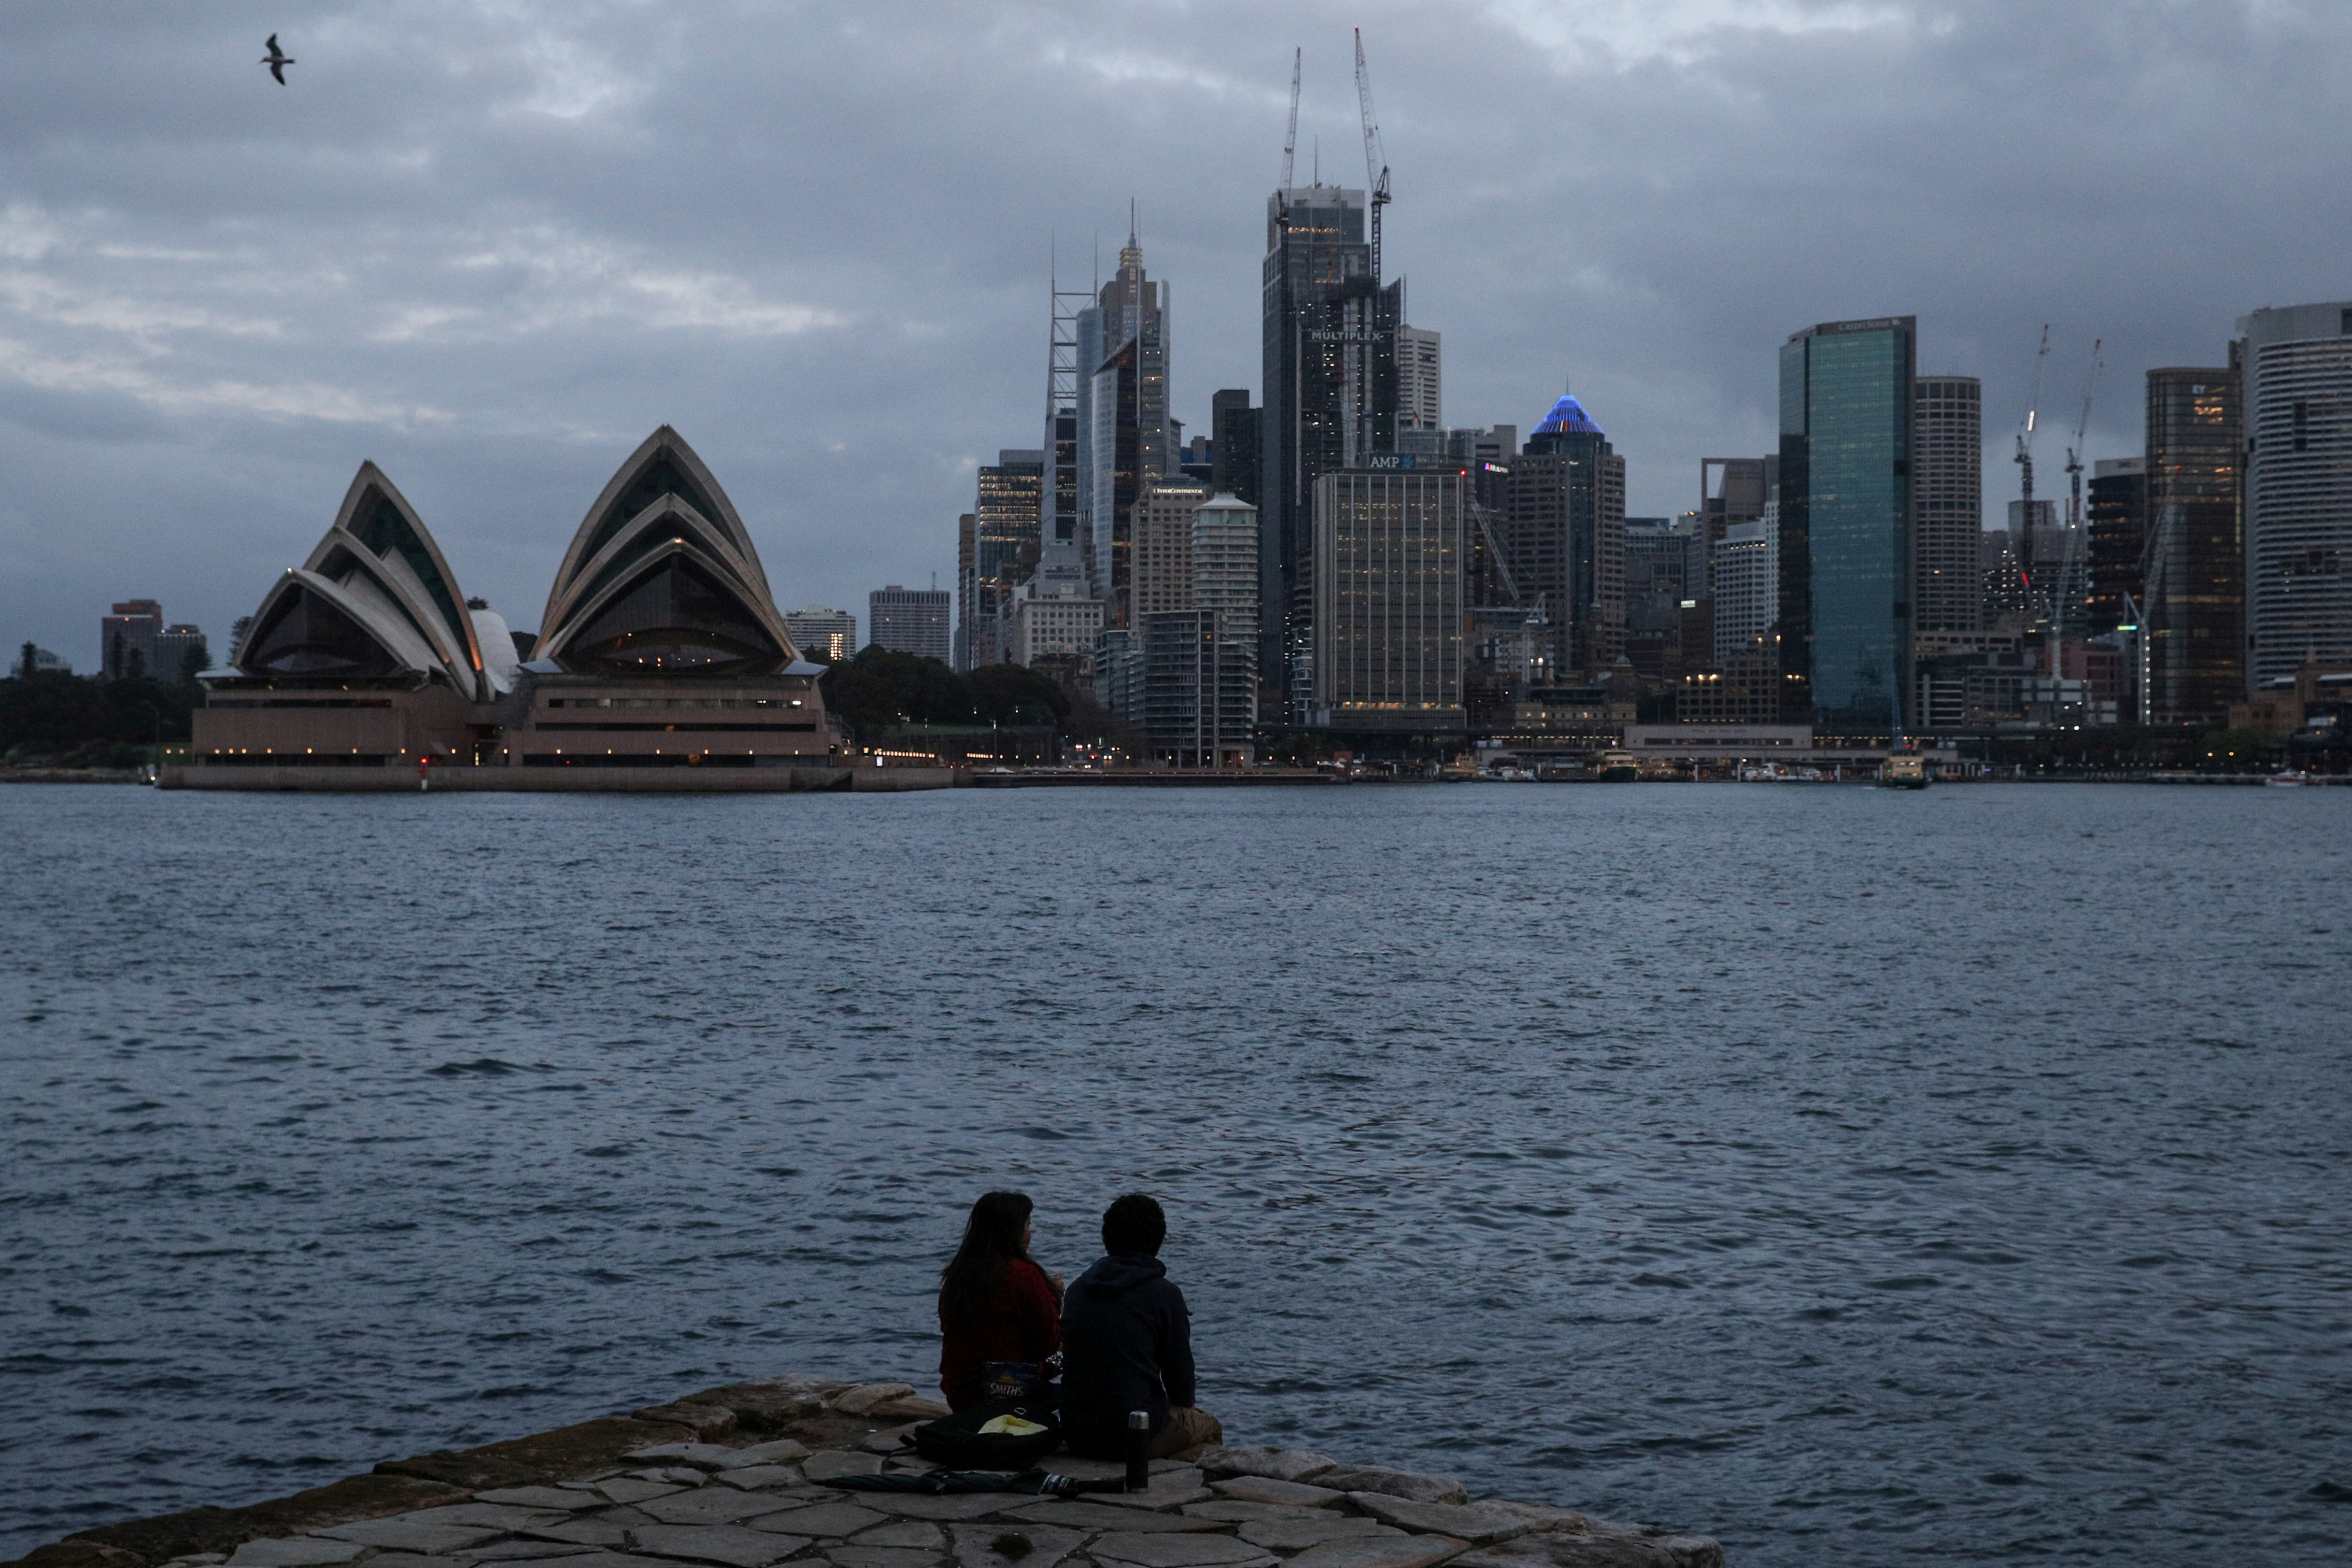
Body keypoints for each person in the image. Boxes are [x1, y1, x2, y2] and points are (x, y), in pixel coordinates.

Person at [1059, 1192, 1222, 1459]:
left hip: (1076, 1432)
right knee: (1209, 1427)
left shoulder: (1078, 1290)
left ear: (1107, 1238)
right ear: (1159, 1242)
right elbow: (1181, 1388)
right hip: (1134, 1433)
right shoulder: (1164, 1295)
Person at [937, 1190, 1063, 1412]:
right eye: (1028, 1225)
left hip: (961, 1395)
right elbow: (1048, 1342)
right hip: (1009, 1391)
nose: (1029, 1232)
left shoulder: (957, 1276)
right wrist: (1054, 1296)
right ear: (1014, 1231)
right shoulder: (1023, 1274)